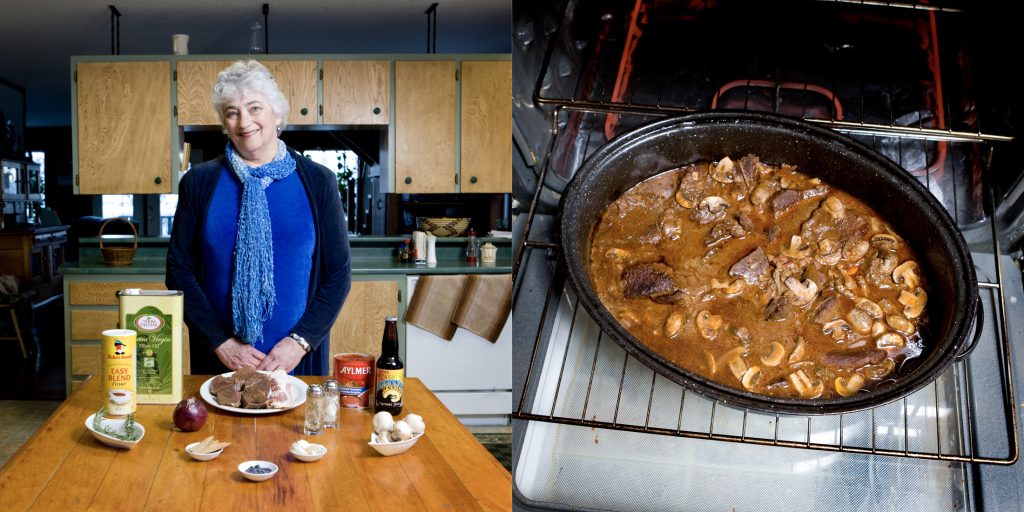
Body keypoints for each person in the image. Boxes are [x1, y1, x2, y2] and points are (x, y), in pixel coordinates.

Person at [166, 60, 351, 375]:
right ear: (225, 123)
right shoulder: (199, 182)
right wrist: (220, 342)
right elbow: (179, 271)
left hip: (296, 361)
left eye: (254, 108)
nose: (244, 121)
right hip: (221, 359)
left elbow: (337, 275)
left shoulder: (318, 181)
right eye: (232, 112)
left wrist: (300, 342)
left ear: (276, 114)